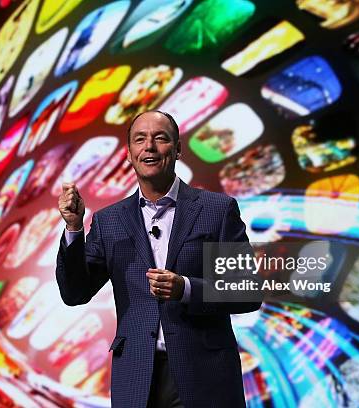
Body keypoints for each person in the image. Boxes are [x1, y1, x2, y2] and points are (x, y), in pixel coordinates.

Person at [56, 110, 261, 408]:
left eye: (160, 138)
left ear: (177, 149)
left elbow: (246, 291)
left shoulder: (216, 210)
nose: (149, 146)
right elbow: (75, 293)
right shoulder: (109, 221)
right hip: (138, 378)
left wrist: (186, 289)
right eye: (140, 139)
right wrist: (74, 228)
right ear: (129, 154)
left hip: (204, 374)